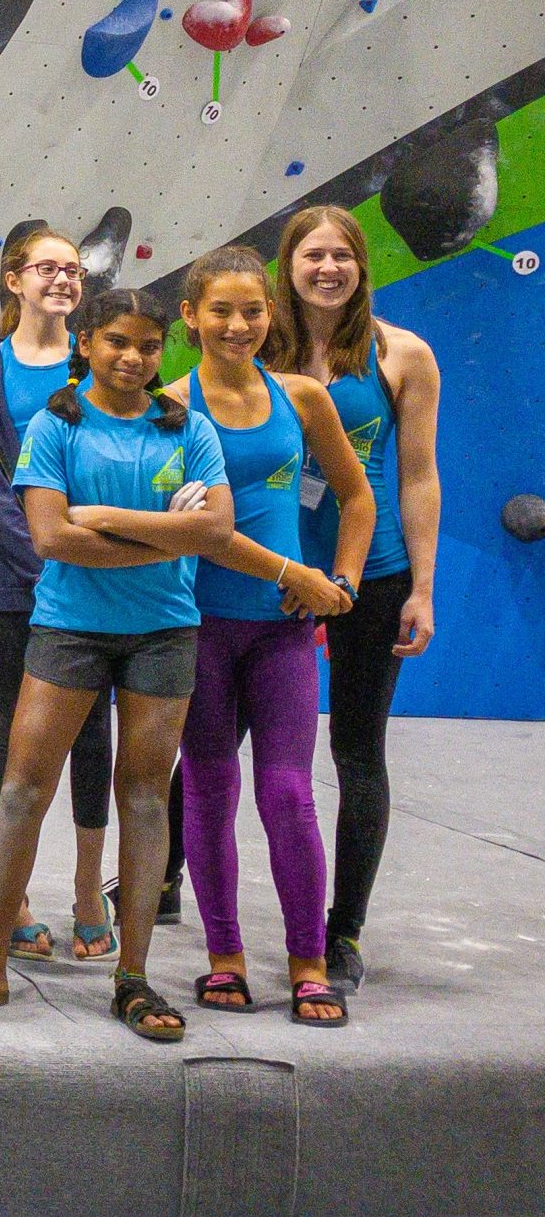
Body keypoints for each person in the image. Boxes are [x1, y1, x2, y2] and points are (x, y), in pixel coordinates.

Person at [0, 289, 232, 1043]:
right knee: (24, 791)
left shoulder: (188, 426)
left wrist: (115, 521)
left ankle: (133, 978)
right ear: (85, 343)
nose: (133, 358)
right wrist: (172, 537)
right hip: (69, 629)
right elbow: (52, 539)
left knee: (147, 800)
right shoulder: (53, 427)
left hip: (164, 632)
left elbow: (218, 527)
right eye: (118, 342)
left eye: (149, 347)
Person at [166, 245, 371, 1024]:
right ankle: (225, 957)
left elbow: (356, 499)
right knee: (212, 789)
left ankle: (308, 961)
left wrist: (343, 582)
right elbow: (203, 533)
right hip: (199, 628)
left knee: (288, 795)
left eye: (253, 311)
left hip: (282, 636)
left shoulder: (303, 399)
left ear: (271, 316)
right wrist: (298, 574)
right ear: (190, 317)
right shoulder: (170, 408)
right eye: (220, 310)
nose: (238, 325)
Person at [273, 205, 441, 995]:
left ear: (361, 266)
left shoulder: (401, 354)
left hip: (369, 578)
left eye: (343, 255)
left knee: (356, 752)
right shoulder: (254, 344)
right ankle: (166, 881)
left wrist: (423, 588)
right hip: (265, 571)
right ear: (291, 264)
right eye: (314, 255)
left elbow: (416, 475)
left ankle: (342, 933)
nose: (329, 268)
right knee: (207, 740)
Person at [0, 226, 120, 956]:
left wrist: (87, 555)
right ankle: (13, 897)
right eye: (47, 268)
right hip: (25, 584)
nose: (63, 279)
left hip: (94, 580)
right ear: (13, 280)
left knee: (92, 733)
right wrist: (42, 557)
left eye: (73, 269)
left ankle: (90, 890)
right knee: (14, 733)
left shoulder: (102, 363)